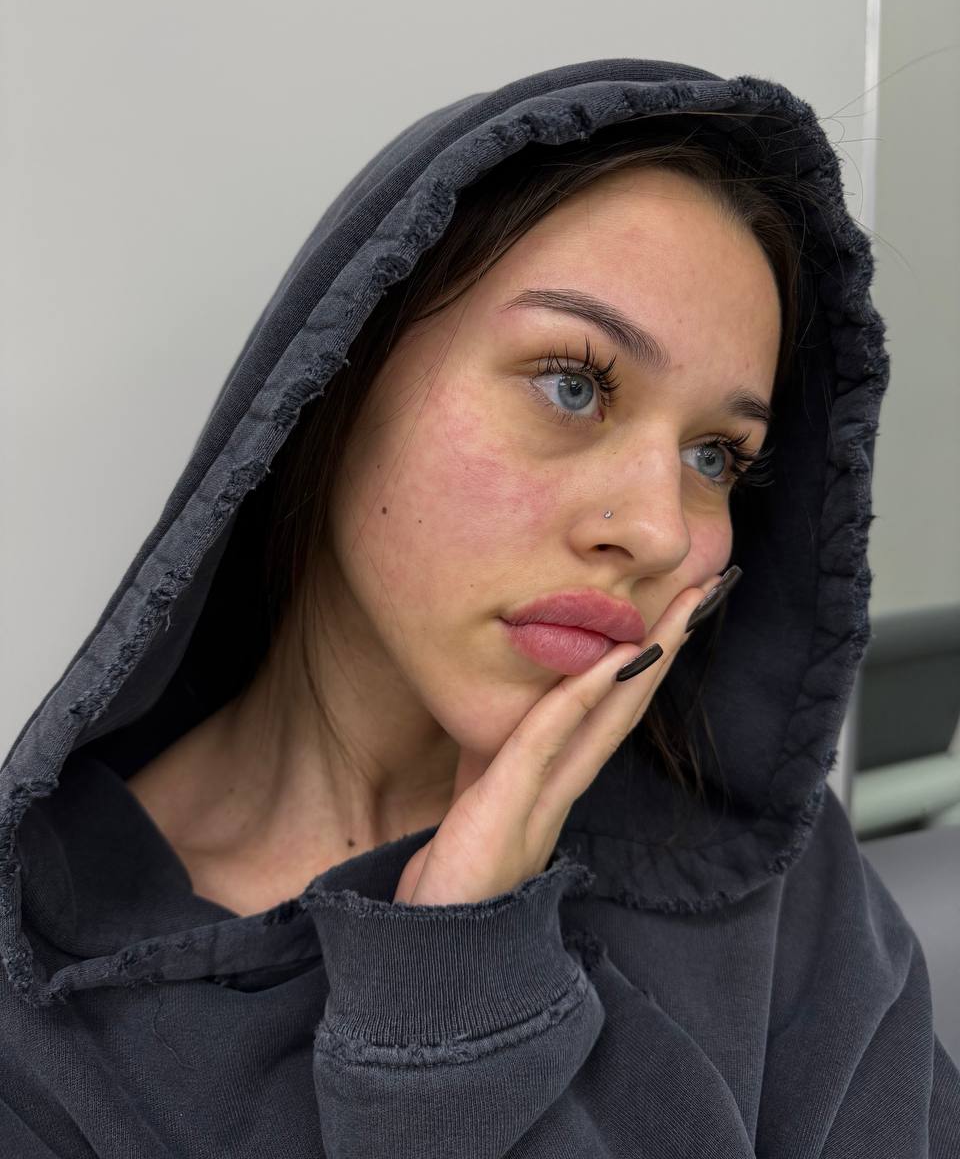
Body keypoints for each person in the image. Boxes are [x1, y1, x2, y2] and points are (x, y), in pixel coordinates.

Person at [1, 56, 957, 1156]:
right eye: (573, 383)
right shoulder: (42, 1000)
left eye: (716, 455)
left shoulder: (765, 878)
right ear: (339, 369)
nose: (661, 530)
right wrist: (451, 998)